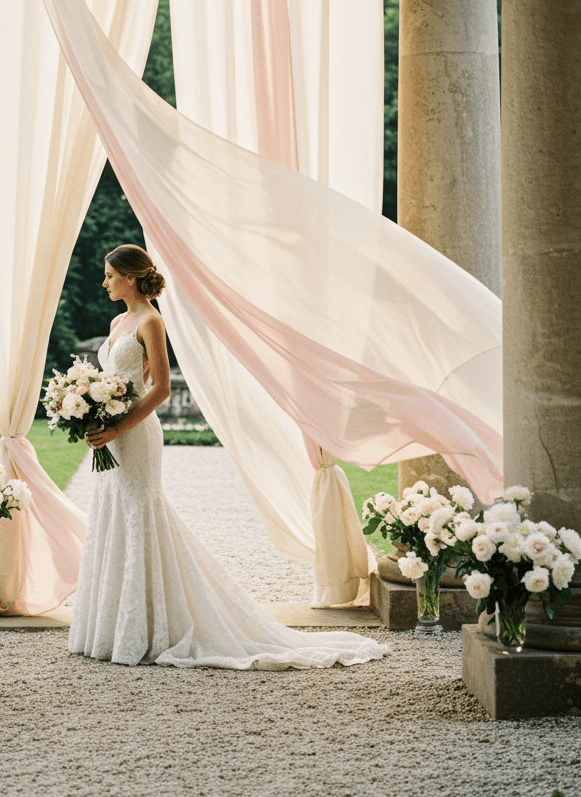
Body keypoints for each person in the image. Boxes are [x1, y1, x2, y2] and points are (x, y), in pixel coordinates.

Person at [67, 243, 391, 670]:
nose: (104, 282)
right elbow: (124, 378)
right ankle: (113, 627)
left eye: (110, 275)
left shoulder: (151, 321)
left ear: (130, 277)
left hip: (135, 435)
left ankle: (153, 627)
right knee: (112, 511)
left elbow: (160, 388)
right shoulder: (116, 322)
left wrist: (118, 426)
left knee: (139, 511)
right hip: (112, 435)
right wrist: (94, 409)